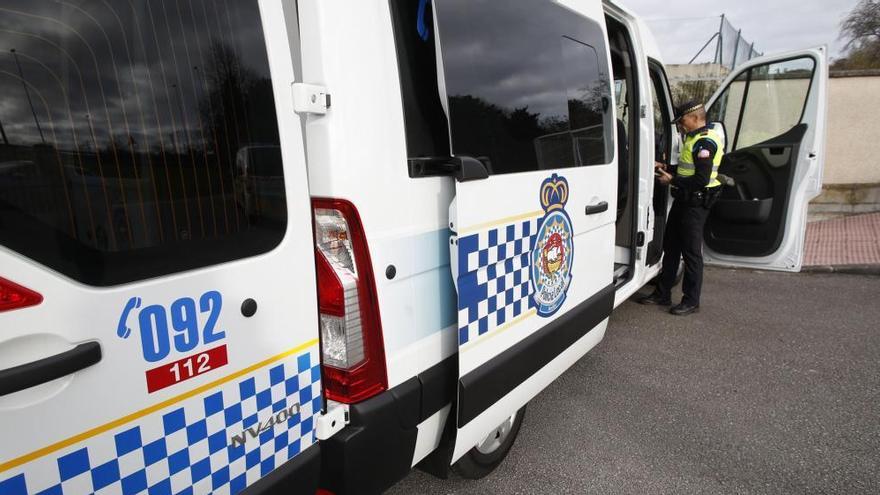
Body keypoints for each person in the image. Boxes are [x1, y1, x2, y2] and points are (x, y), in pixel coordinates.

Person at [638, 100, 724, 315]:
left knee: (691, 253)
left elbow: (701, 179)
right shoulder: (693, 138)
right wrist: (666, 167)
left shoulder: (705, 142)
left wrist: (672, 180)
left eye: (683, 120)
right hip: (684, 201)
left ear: (695, 118)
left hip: (695, 204)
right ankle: (662, 293)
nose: (681, 125)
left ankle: (691, 300)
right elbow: (688, 169)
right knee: (671, 246)